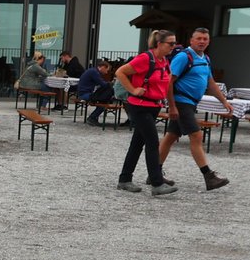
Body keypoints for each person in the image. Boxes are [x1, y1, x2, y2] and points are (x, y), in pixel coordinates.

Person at [157, 27, 233, 191]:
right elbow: (169, 81)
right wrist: (172, 106)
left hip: (191, 103)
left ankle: (154, 173)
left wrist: (224, 101)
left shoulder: (205, 58)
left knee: (170, 137)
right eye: (198, 38)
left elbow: (210, 83)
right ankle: (209, 177)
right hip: (181, 101)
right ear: (191, 40)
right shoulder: (184, 57)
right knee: (196, 135)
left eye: (205, 39)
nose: (202, 41)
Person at [114, 30, 178, 195]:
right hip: (139, 106)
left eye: (174, 43)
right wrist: (133, 89)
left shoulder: (164, 61)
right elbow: (120, 72)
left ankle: (124, 179)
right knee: (152, 142)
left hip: (153, 106)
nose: (173, 46)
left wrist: (171, 105)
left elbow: (167, 84)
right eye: (170, 43)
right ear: (159, 44)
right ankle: (157, 183)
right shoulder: (145, 58)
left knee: (137, 144)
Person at [76, 59, 116, 125]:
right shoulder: (94, 72)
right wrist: (111, 84)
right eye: (106, 70)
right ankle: (92, 118)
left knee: (103, 101)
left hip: (84, 93)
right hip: (85, 94)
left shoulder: (93, 71)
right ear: (103, 67)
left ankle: (93, 118)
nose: (106, 72)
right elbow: (102, 83)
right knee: (103, 103)